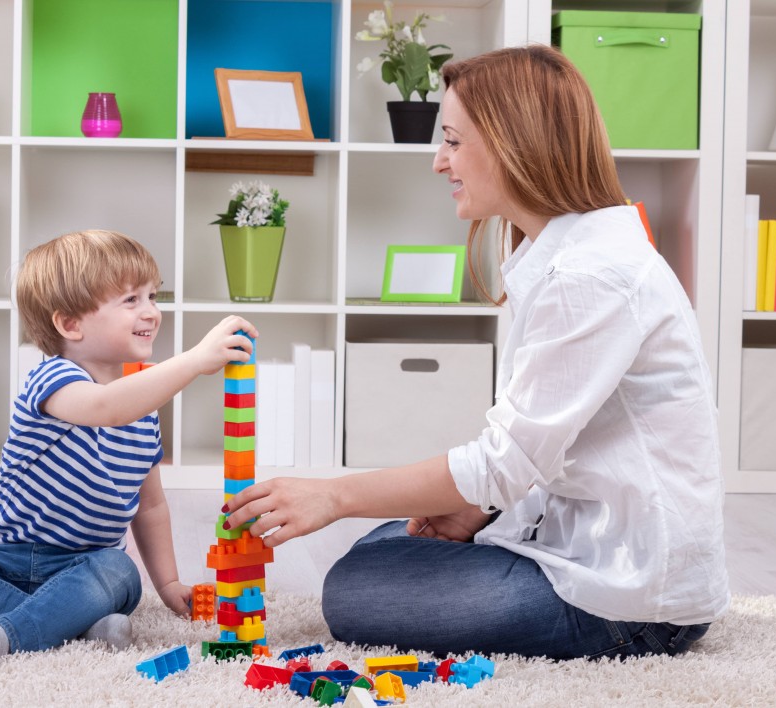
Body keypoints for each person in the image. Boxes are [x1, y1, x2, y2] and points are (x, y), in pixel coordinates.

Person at [224, 45, 729, 660]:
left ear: (515, 142)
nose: (440, 162)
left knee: (354, 588)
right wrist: (479, 514)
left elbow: (504, 462)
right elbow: (549, 453)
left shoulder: (590, 278)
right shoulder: (564, 259)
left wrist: (334, 495)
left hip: (633, 603)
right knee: (386, 543)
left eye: (454, 142)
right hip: (582, 543)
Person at [0, 230, 258, 670]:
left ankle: (19, 629)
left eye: (153, 296)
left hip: (86, 566)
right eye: (130, 300)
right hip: (5, 557)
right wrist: (191, 360)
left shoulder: (143, 409)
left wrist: (168, 584)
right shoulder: (51, 379)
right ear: (70, 324)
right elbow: (104, 408)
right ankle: (73, 627)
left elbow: (150, 507)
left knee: (121, 573)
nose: (151, 311)